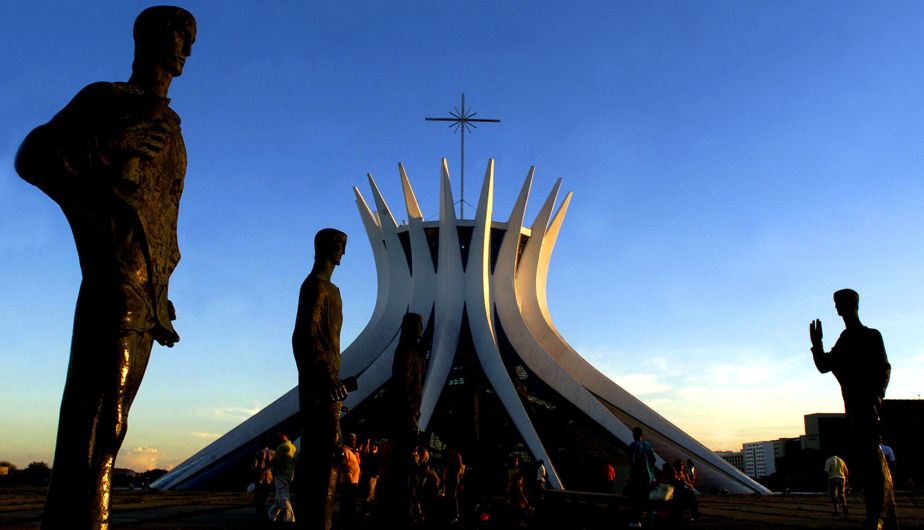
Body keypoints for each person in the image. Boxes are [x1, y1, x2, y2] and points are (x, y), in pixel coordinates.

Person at [15, 7, 196, 530]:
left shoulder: (174, 129)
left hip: (146, 295)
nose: (186, 48)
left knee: (108, 435)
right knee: (98, 425)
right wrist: (112, 144)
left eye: (189, 39)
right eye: (178, 36)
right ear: (148, 39)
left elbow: (159, 216)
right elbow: (34, 156)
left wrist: (160, 288)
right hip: (113, 284)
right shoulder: (107, 101)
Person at [811, 289, 898, 529]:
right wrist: (817, 344)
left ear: (852, 305)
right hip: (854, 406)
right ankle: (886, 517)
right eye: (836, 304)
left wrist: (875, 397)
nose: (837, 309)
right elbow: (825, 365)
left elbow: (884, 370)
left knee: (871, 458)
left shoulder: (870, 336)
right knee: (867, 458)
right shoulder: (845, 339)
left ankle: (878, 517)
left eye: (839, 304)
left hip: (866, 407)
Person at [292, 228, 350, 530]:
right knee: (322, 453)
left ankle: (320, 519)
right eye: (340, 246)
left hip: (331, 382)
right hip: (320, 384)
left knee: (328, 455)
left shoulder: (334, 291)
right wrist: (326, 376)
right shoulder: (314, 287)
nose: (343, 253)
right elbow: (303, 336)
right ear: (326, 247)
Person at [627, 427, 657, 528]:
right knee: (647, 500)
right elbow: (653, 460)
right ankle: (650, 520)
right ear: (642, 435)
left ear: (634, 434)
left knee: (636, 500)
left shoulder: (633, 446)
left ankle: (636, 521)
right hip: (648, 478)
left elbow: (632, 460)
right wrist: (651, 473)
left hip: (637, 478)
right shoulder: (647, 445)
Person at [271, 433, 297, 523]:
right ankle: (271, 516)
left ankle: (289, 518)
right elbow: (295, 461)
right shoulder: (293, 447)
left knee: (283, 498)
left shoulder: (282, 447)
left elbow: (274, 460)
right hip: (289, 475)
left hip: (281, 475)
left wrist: (264, 469)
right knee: (279, 498)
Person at [340, 433, 361, 530]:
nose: (355, 442)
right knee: (347, 503)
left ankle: (349, 521)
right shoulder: (344, 450)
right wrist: (348, 475)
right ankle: (346, 523)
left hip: (354, 481)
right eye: (353, 440)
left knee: (351, 503)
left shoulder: (351, 451)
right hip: (349, 482)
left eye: (355, 440)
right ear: (348, 440)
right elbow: (343, 464)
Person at [252, 446, 275, 519]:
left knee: (258, 492)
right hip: (269, 475)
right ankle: (266, 503)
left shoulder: (258, 452)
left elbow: (254, 465)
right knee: (267, 491)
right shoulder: (273, 452)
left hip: (260, 474)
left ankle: (261, 508)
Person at [444, 450, 466, 525]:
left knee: (453, 497)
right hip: (450, 478)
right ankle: (452, 515)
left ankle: (455, 516)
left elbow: (460, 466)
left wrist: (456, 476)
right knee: (450, 497)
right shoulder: (453, 456)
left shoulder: (457, 456)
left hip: (453, 479)